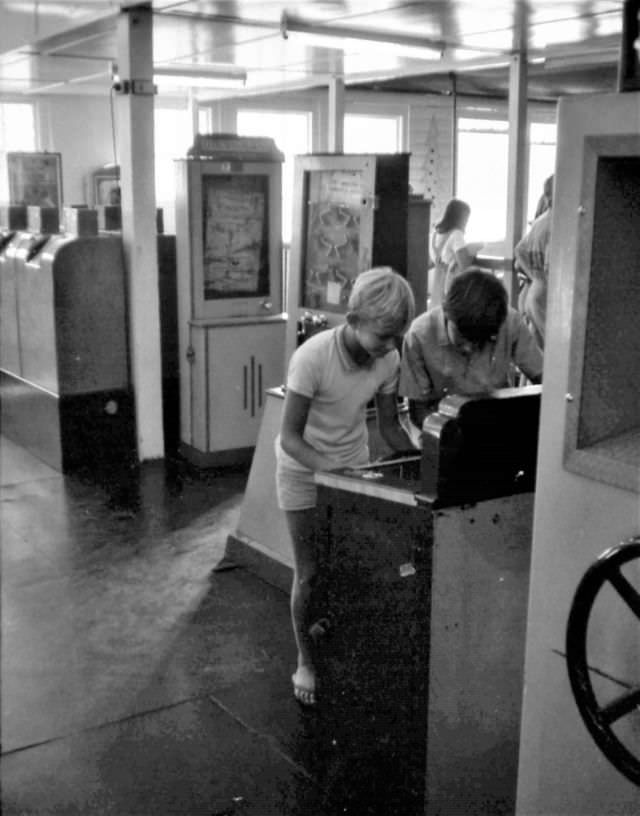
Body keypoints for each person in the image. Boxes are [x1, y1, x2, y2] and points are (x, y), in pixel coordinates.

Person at [276, 267, 416, 706]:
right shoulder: (313, 357)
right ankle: (306, 660)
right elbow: (290, 438)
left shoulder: (389, 359)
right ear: (353, 319)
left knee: (351, 565)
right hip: (303, 469)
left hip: (351, 468)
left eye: (398, 336)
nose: (390, 346)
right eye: (383, 335)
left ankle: (335, 638)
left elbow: (391, 427)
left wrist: (420, 458)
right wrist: (329, 470)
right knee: (311, 572)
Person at [399, 267, 543, 431]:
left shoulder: (509, 322)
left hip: (497, 421)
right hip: (444, 428)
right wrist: (450, 436)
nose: (468, 349)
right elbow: (418, 410)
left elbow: (543, 377)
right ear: (446, 311)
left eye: (480, 342)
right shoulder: (419, 336)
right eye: (462, 338)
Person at [514, 174, 554, 350]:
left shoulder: (540, 221)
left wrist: (533, 275)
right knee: (554, 349)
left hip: (534, 290)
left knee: (541, 350)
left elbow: (519, 250)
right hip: (547, 292)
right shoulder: (558, 223)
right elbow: (551, 263)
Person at [429, 198, 480, 309]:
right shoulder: (456, 234)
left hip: (437, 286)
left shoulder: (434, 234)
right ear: (460, 217)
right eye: (466, 218)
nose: (467, 221)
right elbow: (464, 265)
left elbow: (431, 261)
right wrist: (474, 250)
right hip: (451, 286)